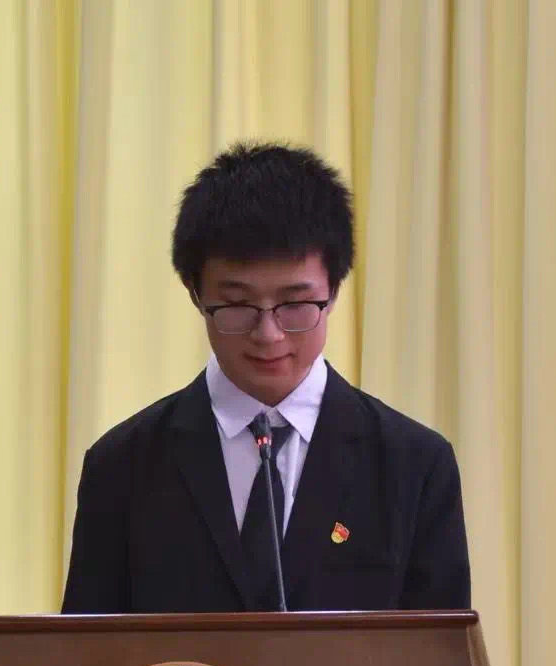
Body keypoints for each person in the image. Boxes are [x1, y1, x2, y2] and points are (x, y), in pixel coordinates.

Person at [60, 143, 471, 614]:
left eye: (294, 304)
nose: (268, 334)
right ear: (196, 293)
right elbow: (89, 651)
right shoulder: (122, 466)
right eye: (238, 305)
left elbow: (438, 652)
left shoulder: (413, 465)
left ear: (334, 290)